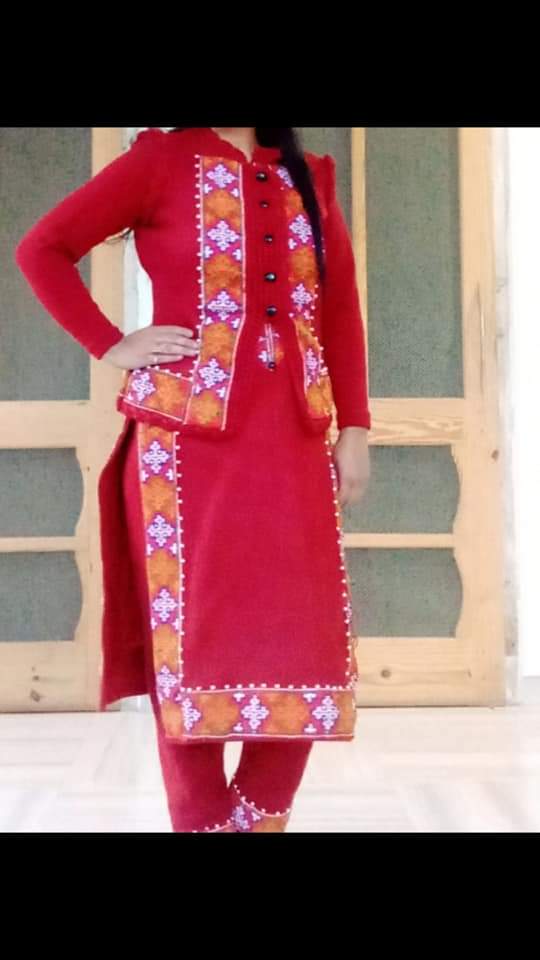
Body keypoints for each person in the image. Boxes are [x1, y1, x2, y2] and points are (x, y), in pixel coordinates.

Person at [14, 126, 372, 832]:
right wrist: (111, 342)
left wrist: (355, 427)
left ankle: (260, 818)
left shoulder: (312, 176)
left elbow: (339, 309)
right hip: (183, 445)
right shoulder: (159, 161)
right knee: (188, 646)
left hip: (295, 440)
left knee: (305, 640)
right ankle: (202, 820)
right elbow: (42, 249)